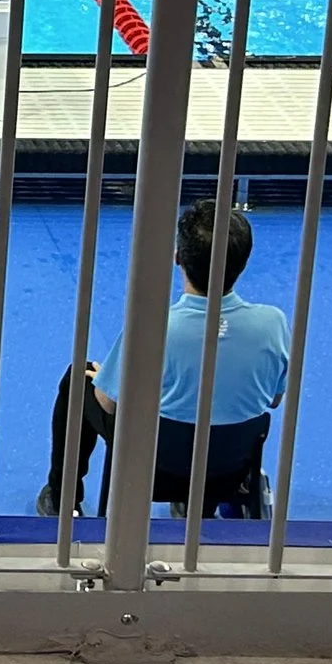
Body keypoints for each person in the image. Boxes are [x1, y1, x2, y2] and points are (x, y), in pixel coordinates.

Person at [38, 199, 291, 519]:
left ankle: (63, 500)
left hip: (153, 468)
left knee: (78, 378)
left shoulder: (153, 325)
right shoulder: (274, 323)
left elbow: (108, 403)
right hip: (228, 469)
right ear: (243, 262)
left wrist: (104, 377)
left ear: (178, 258)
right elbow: (274, 399)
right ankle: (199, 503)